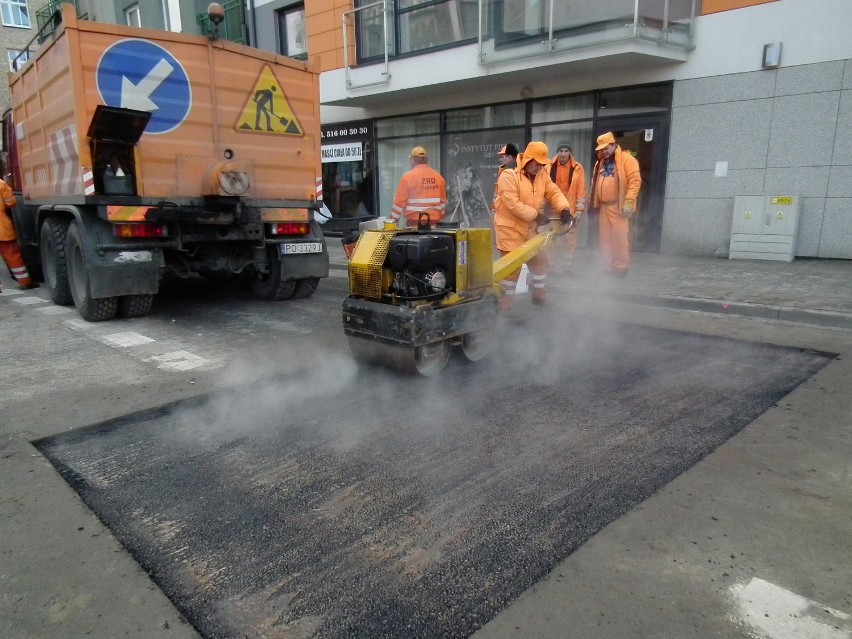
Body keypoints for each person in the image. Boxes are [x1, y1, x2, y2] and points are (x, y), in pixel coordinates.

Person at [493, 141, 570, 309]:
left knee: (540, 261)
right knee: (511, 271)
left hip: (529, 227)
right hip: (509, 228)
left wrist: (564, 208)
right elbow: (513, 204)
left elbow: (554, 192)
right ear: (527, 160)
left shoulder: (542, 174)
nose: (539, 167)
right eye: (537, 163)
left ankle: (539, 295)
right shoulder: (508, 175)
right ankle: (503, 303)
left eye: (543, 164)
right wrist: (536, 215)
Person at [590, 132, 641, 278]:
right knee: (605, 239)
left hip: (618, 207)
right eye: (601, 149)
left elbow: (635, 182)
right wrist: (592, 204)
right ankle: (608, 267)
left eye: (606, 148)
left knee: (619, 238)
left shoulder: (627, 159)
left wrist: (629, 202)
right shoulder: (600, 161)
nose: (603, 151)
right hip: (604, 207)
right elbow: (594, 184)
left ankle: (621, 268)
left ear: (613, 144)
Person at [548, 142, 586, 274]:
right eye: (561, 151)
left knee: (570, 240)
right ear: (557, 152)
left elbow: (581, 192)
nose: (563, 154)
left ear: (570, 152)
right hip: (553, 210)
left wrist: (579, 211)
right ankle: (550, 267)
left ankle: (567, 267)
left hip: (570, 211)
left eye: (566, 151)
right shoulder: (549, 166)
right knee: (551, 239)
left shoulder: (577, 168)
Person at [390, 146, 447, 228]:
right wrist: (440, 218)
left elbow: (399, 203)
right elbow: (443, 203)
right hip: (434, 224)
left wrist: (393, 222)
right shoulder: (438, 177)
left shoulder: (407, 177)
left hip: (415, 224)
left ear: (413, 160)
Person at [0, 177, 37, 291]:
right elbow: (11, 202)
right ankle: (25, 282)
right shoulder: (1, 184)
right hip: (2, 229)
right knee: (13, 257)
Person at [491, 143, 518, 215]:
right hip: (501, 215)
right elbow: (497, 193)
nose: (500, 159)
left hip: (510, 216)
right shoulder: (503, 171)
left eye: (502, 157)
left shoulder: (518, 172)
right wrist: (494, 208)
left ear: (510, 157)